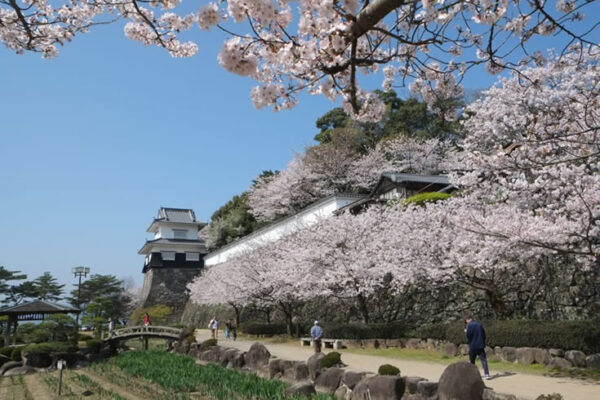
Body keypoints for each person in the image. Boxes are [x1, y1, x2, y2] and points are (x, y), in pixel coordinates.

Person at [464, 312, 490, 379]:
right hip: (480, 345)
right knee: (483, 360)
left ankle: (472, 375)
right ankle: (487, 374)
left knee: (472, 361)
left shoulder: (468, 326)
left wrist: (466, 332)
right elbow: (484, 334)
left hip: (473, 345)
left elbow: (468, 336)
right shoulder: (479, 324)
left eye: (466, 321)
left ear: (467, 319)